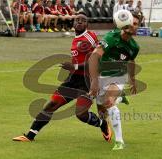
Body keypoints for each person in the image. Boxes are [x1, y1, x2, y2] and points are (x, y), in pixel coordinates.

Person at [12, 11, 110, 142]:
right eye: (77, 20)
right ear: (73, 22)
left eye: (83, 20)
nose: (79, 21)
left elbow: (95, 60)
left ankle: (102, 124)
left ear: (87, 24)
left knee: (81, 114)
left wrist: (75, 66)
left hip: (87, 81)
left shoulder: (89, 38)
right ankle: (29, 136)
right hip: (73, 80)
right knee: (51, 105)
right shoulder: (76, 38)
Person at [88, 10, 140, 150]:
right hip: (101, 75)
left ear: (137, 27)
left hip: (118, 76)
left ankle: (119, 141)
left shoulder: (134, 47)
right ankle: (120, 99)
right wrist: (94, 81)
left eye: (135, 23)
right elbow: (94, 56)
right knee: (102, 112)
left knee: (108, 102)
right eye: (130, 21)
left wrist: (132, 79)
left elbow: (131, 62)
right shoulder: (111, 37)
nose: (132, 25)